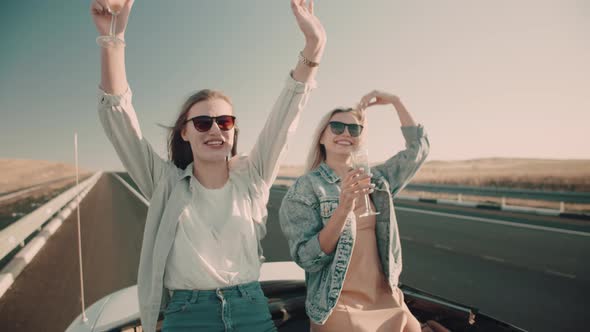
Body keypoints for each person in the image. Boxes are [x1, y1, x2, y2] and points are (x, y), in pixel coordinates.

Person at [90, 0, 326, 331]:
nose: (215, 129)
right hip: (188, 315)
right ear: (184, 132)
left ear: (233, 131)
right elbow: (119, 119)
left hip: (251, 310)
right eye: (202, 122)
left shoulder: (254, 178)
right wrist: (112, 41)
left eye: (225, 121)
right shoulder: (165, 182)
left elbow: (288, 111)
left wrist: (314, 46)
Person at [279, 90, 434, 332]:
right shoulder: (306, 188)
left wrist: (396, 101)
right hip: (337, 304)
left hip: (387, 299)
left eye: (354, 129)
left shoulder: (376, 181)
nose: (345, 134)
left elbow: (418, 149)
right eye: (337, 127)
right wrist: (343, 209)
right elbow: (307, 258)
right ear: (321, 136)